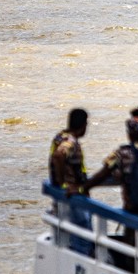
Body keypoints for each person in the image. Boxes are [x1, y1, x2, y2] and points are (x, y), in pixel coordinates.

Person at [85, 117, 138, 218]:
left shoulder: (122, 153)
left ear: (129, 134)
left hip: (132, 209)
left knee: (131, 232)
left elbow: (102, 174)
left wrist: (82, 187)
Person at [49, 108, 92, 255]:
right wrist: (63, 184)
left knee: (68, 233)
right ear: (83, 125)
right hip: (74, 197)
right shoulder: (70, 142)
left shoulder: (60, 136)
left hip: (66, 196)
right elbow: (59, 156)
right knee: (82, 233)